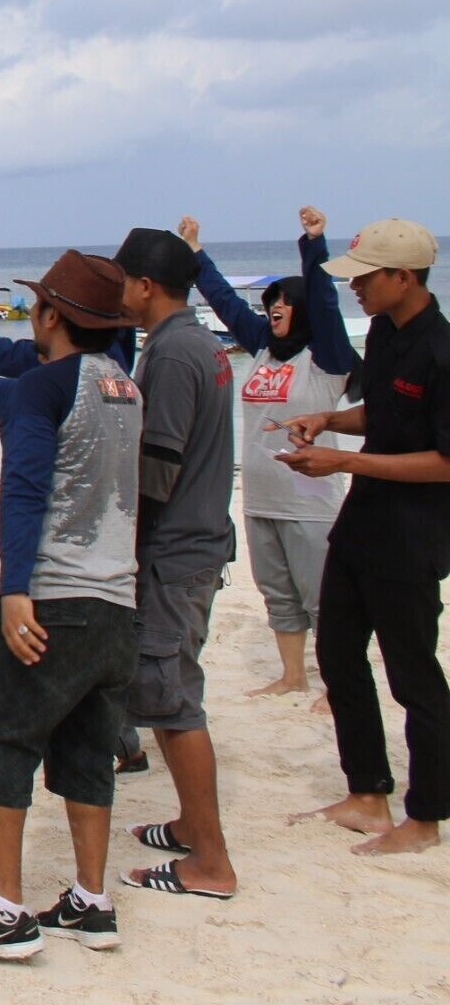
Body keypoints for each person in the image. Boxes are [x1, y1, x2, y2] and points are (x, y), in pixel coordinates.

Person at [0, 252, 143, 961]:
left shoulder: (45, 385)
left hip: (54, 595)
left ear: (50, 315)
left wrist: (15, 589)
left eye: (40, 306)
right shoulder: (122, 383)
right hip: (117, 602)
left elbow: (23, 488)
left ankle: (5, 910)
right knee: (87, 748)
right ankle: (90, 900)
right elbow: (7, 388)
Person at [281, 218, 450, 856]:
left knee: (413, 677)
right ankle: (367, 794)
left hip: (414, 533)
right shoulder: (382, 332)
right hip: (363, 520)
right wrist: (328, 419)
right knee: (338, 655)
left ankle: (425, 818)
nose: (356, 288)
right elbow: (381, 412)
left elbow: (445, 462)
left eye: (366, 278)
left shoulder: (442, 351)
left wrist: (344, 461)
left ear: (404, 278)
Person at [93, 226, 240, 899]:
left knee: (173, 702)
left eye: (124, 279)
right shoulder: (195, 341)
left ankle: (211, 862)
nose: (119, 291)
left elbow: (158, 470)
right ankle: (189, 824)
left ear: (146, 286)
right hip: (196, 542)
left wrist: (120, 543)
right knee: (171, 689)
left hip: (177, 551)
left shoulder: (176, 352)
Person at [185, 208, 357, 701]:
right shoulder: (262, 347)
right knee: (278, 595)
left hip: (310, 503)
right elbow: (223, 301)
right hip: (260, 498)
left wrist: (314, 244)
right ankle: (292, 676)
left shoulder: (326, 357)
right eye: (271, 302)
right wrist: (195, 251)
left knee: (323, 599)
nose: (275, 307)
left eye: (284, 301)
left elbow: (324, 300)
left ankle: (339, 687)